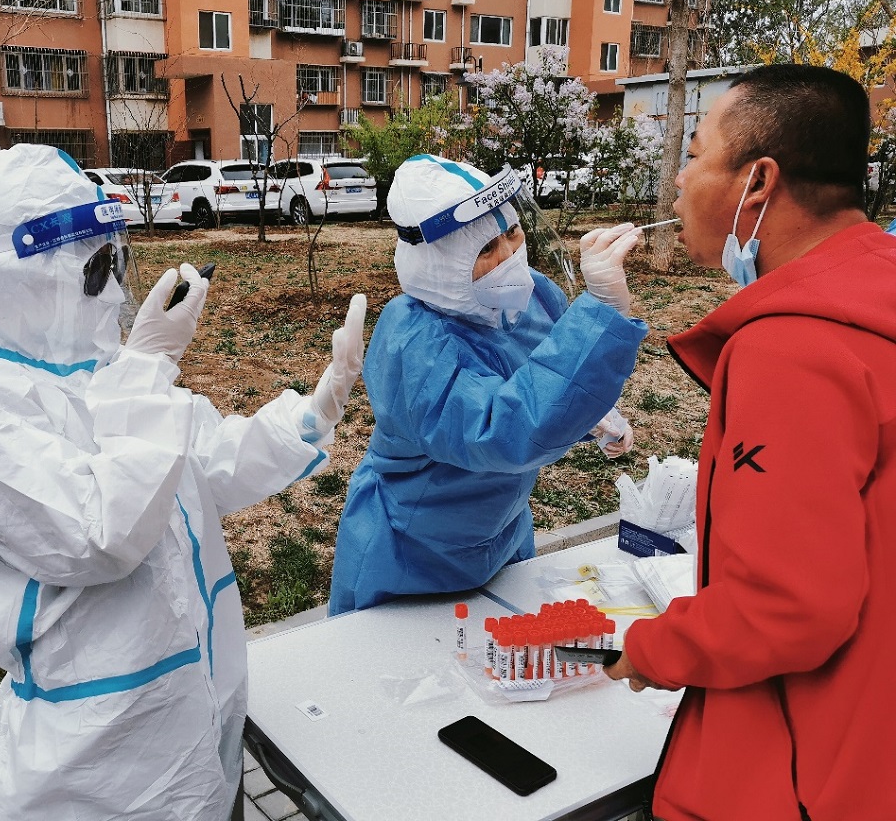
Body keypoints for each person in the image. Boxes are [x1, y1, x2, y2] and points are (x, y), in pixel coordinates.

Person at [0, 144, 367, 821]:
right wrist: (145, 370)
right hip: (96, 772)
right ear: (18, 277)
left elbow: (205, 464)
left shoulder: (105, 370)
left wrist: (313, 413)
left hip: (196, 725)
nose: (115, 291)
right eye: (95, 268)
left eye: (116, 260)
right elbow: (100, 537)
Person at [605, 65, 896, 820]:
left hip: (807, 777)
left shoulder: (791, 348)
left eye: (695, 154)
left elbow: (788, 606)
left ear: (757, 182)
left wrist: (658, 648)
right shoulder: (876, 296)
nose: (679, 179)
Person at [328, 155, 647, 615]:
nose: (509, 257)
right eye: (485, 250)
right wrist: (600, 315)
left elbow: (549, 370)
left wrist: (592, 414)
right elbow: (498, 431)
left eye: (513, 232)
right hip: (412, 552)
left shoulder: (531, 295)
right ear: (438, 264)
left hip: (501, 531)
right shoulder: (413, 340)